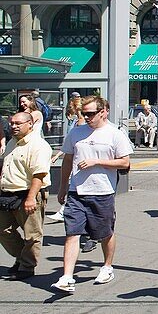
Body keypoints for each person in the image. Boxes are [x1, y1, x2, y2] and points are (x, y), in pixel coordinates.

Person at [52, 96, 133, 295]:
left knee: (104, 233)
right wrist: (63, 187)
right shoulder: (76, 133)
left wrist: (97, 162)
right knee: (72, 233)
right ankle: (67, 277)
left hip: (102, 191)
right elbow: (67, 161)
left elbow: (125, 163)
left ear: (103, 112)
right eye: (83, 113)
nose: (86, 117)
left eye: (90, 114)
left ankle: (107, 267)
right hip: (76, 191)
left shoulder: (115, 134)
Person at [1, 111, 51, 280]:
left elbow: (39, 174)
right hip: (7, 193)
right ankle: (22, 258)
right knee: (3, 230)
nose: (13, 126)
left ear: (30, 124)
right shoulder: (12, 143)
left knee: (32, 234)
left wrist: (31, 198)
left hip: (28, 193)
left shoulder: (38, 145)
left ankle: (27, 267)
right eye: (12, 123)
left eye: (18, 124)